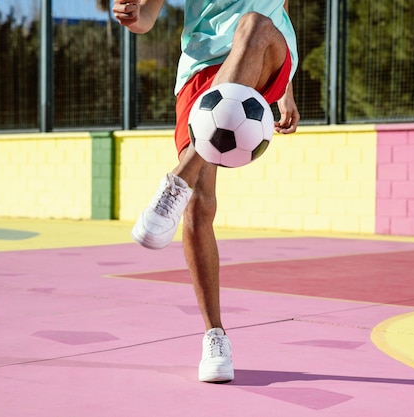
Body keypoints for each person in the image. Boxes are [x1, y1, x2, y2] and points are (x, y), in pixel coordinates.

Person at [112, 0, 300, 383]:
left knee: (255, 23)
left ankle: (178, 178)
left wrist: (286, 92)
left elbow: (277, 12)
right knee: (198, 208)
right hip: (201, 72)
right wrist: (134, 16)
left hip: (263, 52)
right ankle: (215, 336)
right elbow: (147, 16)